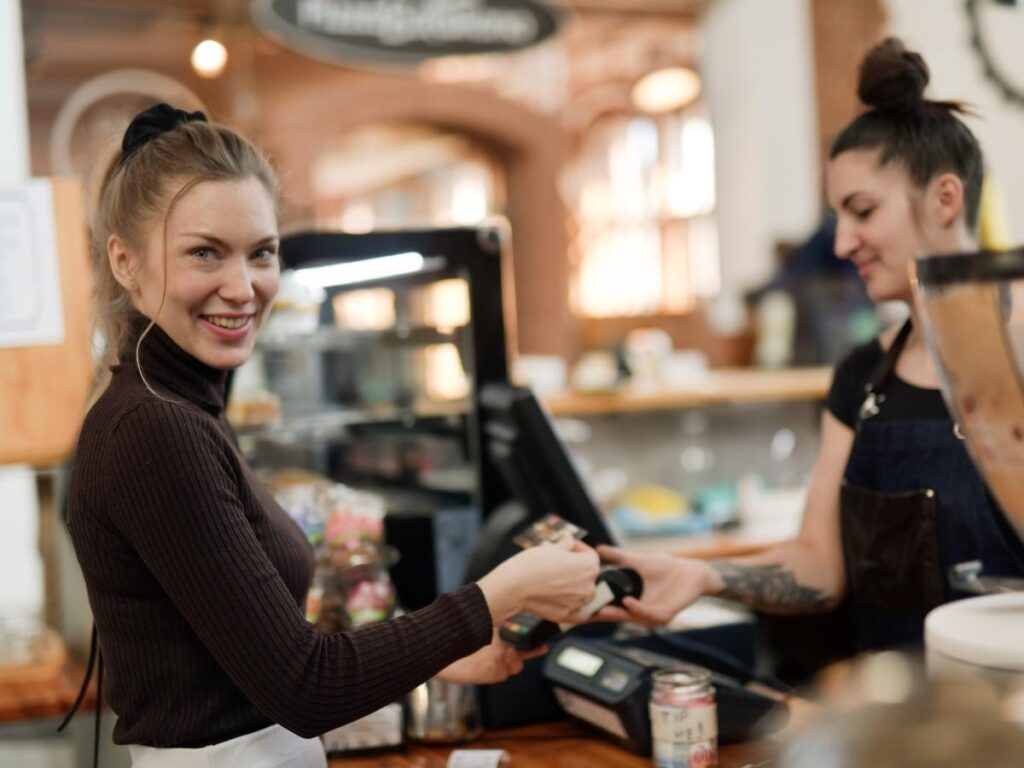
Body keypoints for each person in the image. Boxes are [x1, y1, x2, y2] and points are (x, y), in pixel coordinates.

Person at [65, 103, 600, 767]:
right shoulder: (155, 430)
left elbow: (248, 652)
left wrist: (438, 661)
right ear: (124, 261)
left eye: (261, 254)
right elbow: (306, 685)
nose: (243, 287)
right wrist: (505, 592)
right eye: (205, 253)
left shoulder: (180, 407)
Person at [596, 38, 1024, 654]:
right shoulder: (861, 379)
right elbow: (819, 568)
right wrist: (705, 575)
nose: (843, 242)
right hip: (893, 727)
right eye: (838, 216)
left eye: (862, 210)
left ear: (945, 198)